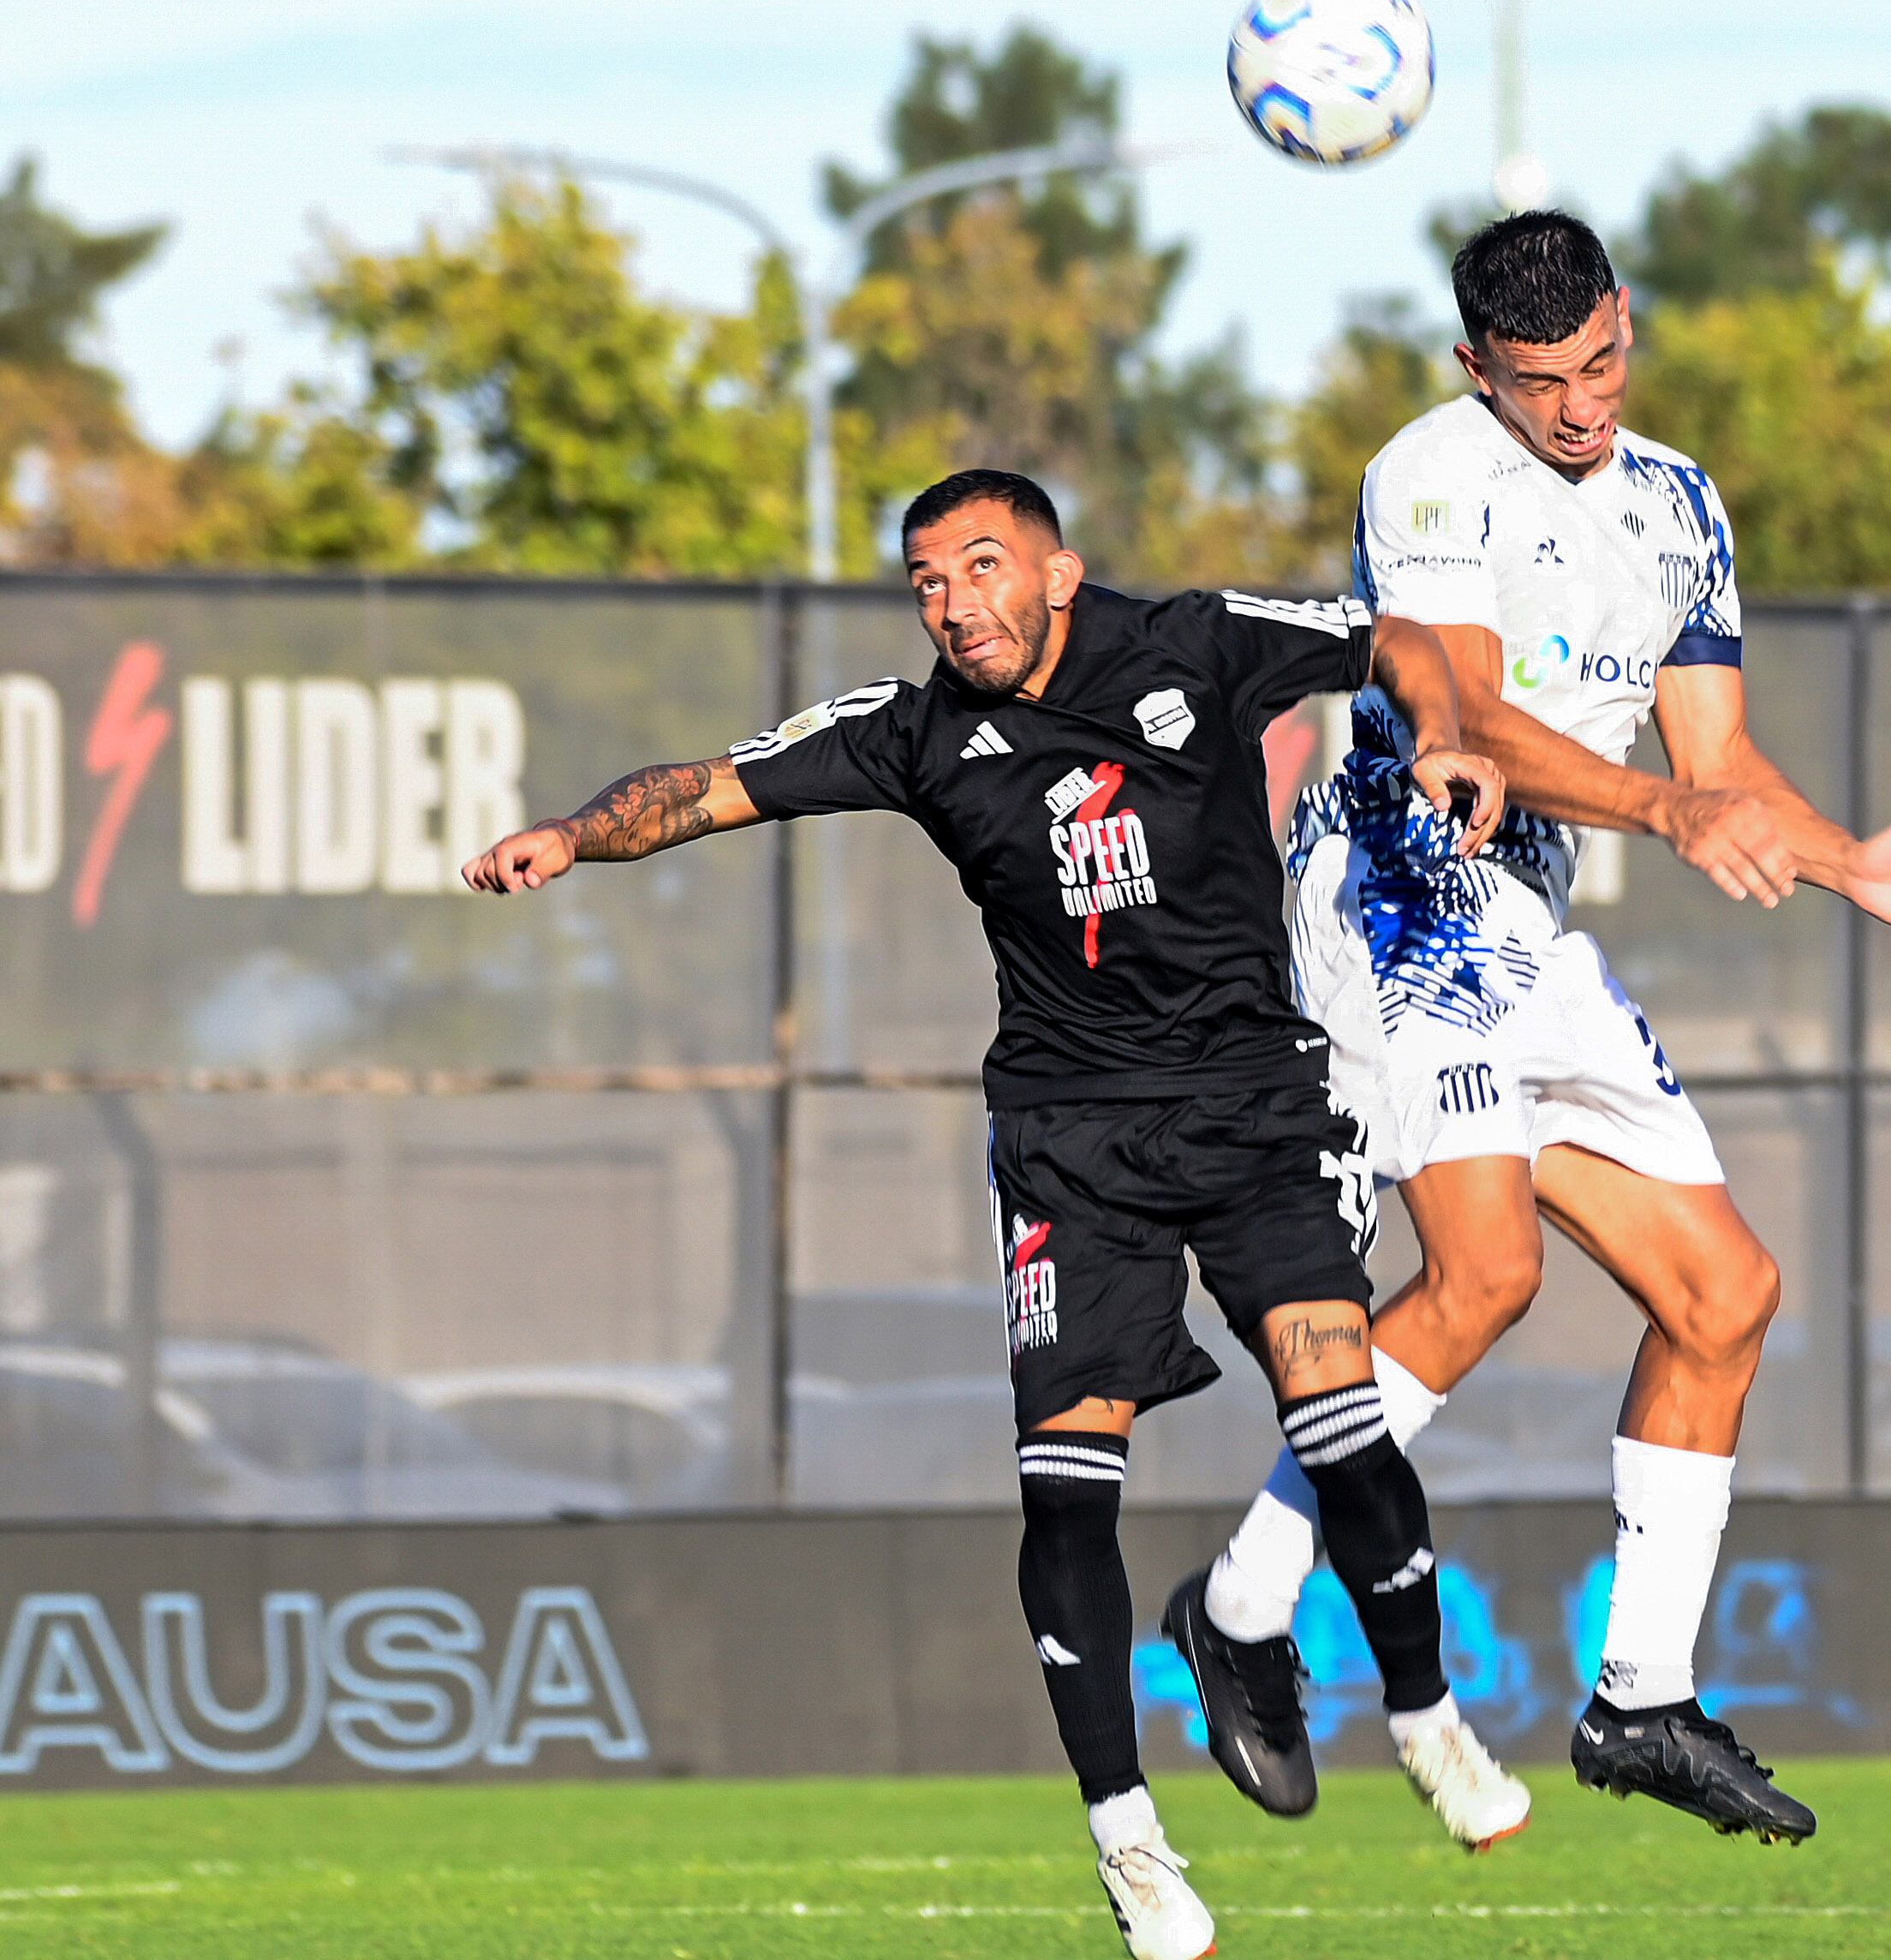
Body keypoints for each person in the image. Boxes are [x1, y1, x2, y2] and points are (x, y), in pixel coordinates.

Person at [462, 469, 1530, 1960]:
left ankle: (1427, 1720)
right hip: (1069, 1146)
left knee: (1340, 1414)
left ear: (1058, 572)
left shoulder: (1195, 641)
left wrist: (1447, 733)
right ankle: (1130, 1844)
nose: (951, 601)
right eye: (926, 580)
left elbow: (1399, 638)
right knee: (1068, 1491)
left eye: (979, 565)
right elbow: (708, 785)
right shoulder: (916, 734)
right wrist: (574, 835)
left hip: (1251, 1112)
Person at [1166, 214, 1891, 1844]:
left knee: (1725, 1293)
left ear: (1628, 320)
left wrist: (1849, 861)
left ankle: (1640, 1698)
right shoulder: (1430, 476)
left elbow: (1719, 760)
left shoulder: (1681, 501)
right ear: (1473, 368)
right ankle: (1241, 1608)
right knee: (1488, 1270)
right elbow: (1474, 716)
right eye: (1539, 381)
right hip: (1397, 895)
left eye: (1601, 362)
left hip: (1531, 922)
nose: (1579, 405)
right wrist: (1669, 810)